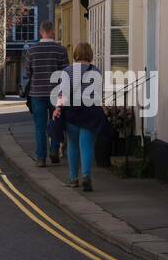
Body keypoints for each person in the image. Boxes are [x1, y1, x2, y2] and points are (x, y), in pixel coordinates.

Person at [52, 42, 107, 192]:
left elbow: (62, 93)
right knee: (87, 145)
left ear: (75, 54)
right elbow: (98, 95)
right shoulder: (96, 71)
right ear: (90, 54)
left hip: (72, 112)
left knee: (73, 145)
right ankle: (86, 176)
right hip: (91, 112)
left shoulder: (67, 71)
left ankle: (73, 178)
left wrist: (57, 108)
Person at [21, 20, 68, 166]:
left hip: (37, 93)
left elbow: (28, 73)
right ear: (53, 31)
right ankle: (54, 151)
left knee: (39, 127)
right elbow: (65, 73)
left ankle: (41, 158)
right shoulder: (61, 50)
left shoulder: (32, 51)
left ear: (41, 32)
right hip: (56, 93)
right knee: (55, 123)